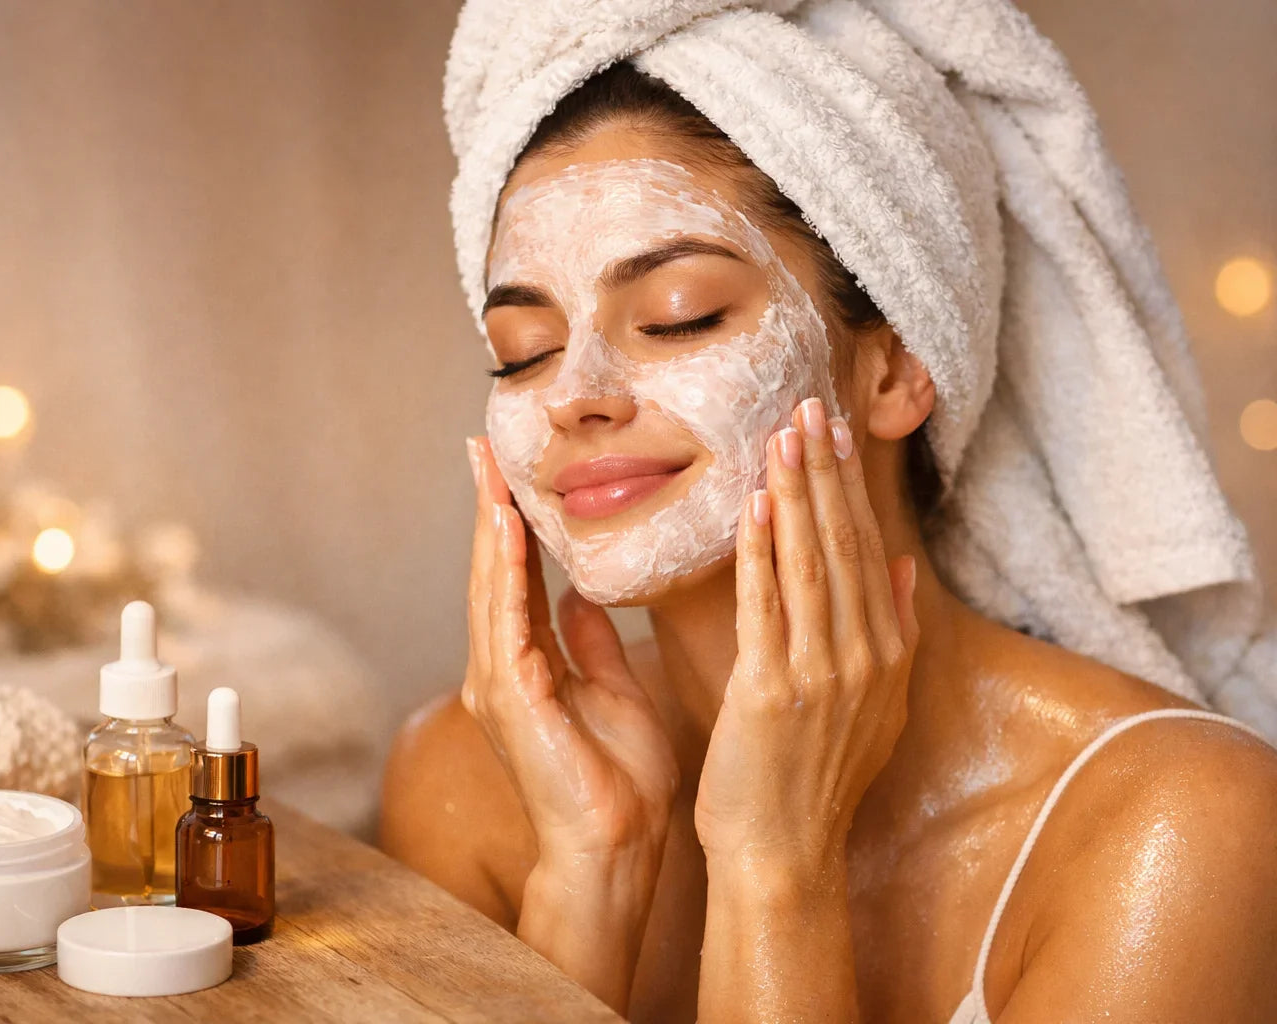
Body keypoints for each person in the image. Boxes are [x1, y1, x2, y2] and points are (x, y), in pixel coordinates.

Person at [382, 6, 1277, 1022]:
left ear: (895, 364)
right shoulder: (468, 787)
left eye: (681, 314)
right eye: (523, 348)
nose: (572, 393)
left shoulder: (1177, 828)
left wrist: (776, 867)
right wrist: (587, 880)